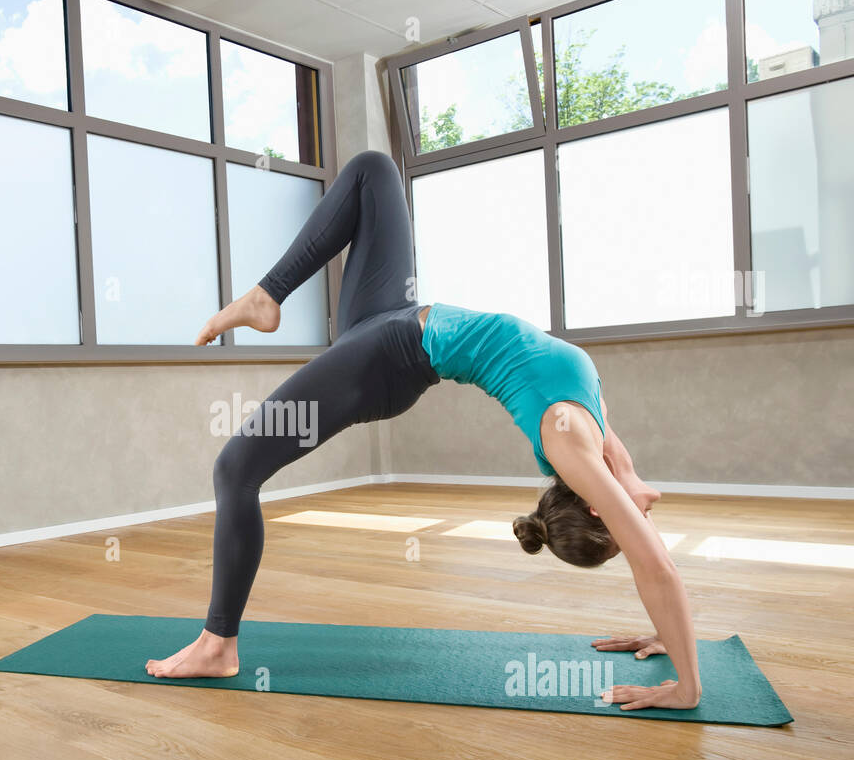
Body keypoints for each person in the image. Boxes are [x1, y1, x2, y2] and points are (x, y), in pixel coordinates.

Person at [145, 150, 700, 712]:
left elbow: (655, 566)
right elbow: (625, 474)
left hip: (385, 364)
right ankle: (267, 295)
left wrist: (686, 685)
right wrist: (667, 638)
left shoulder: (567, 441)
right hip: (390, 318)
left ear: (597, 508)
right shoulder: (596, 432)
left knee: (234, 470)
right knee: (374, 170)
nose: (646, 515)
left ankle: (218, 645)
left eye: (630, 521)